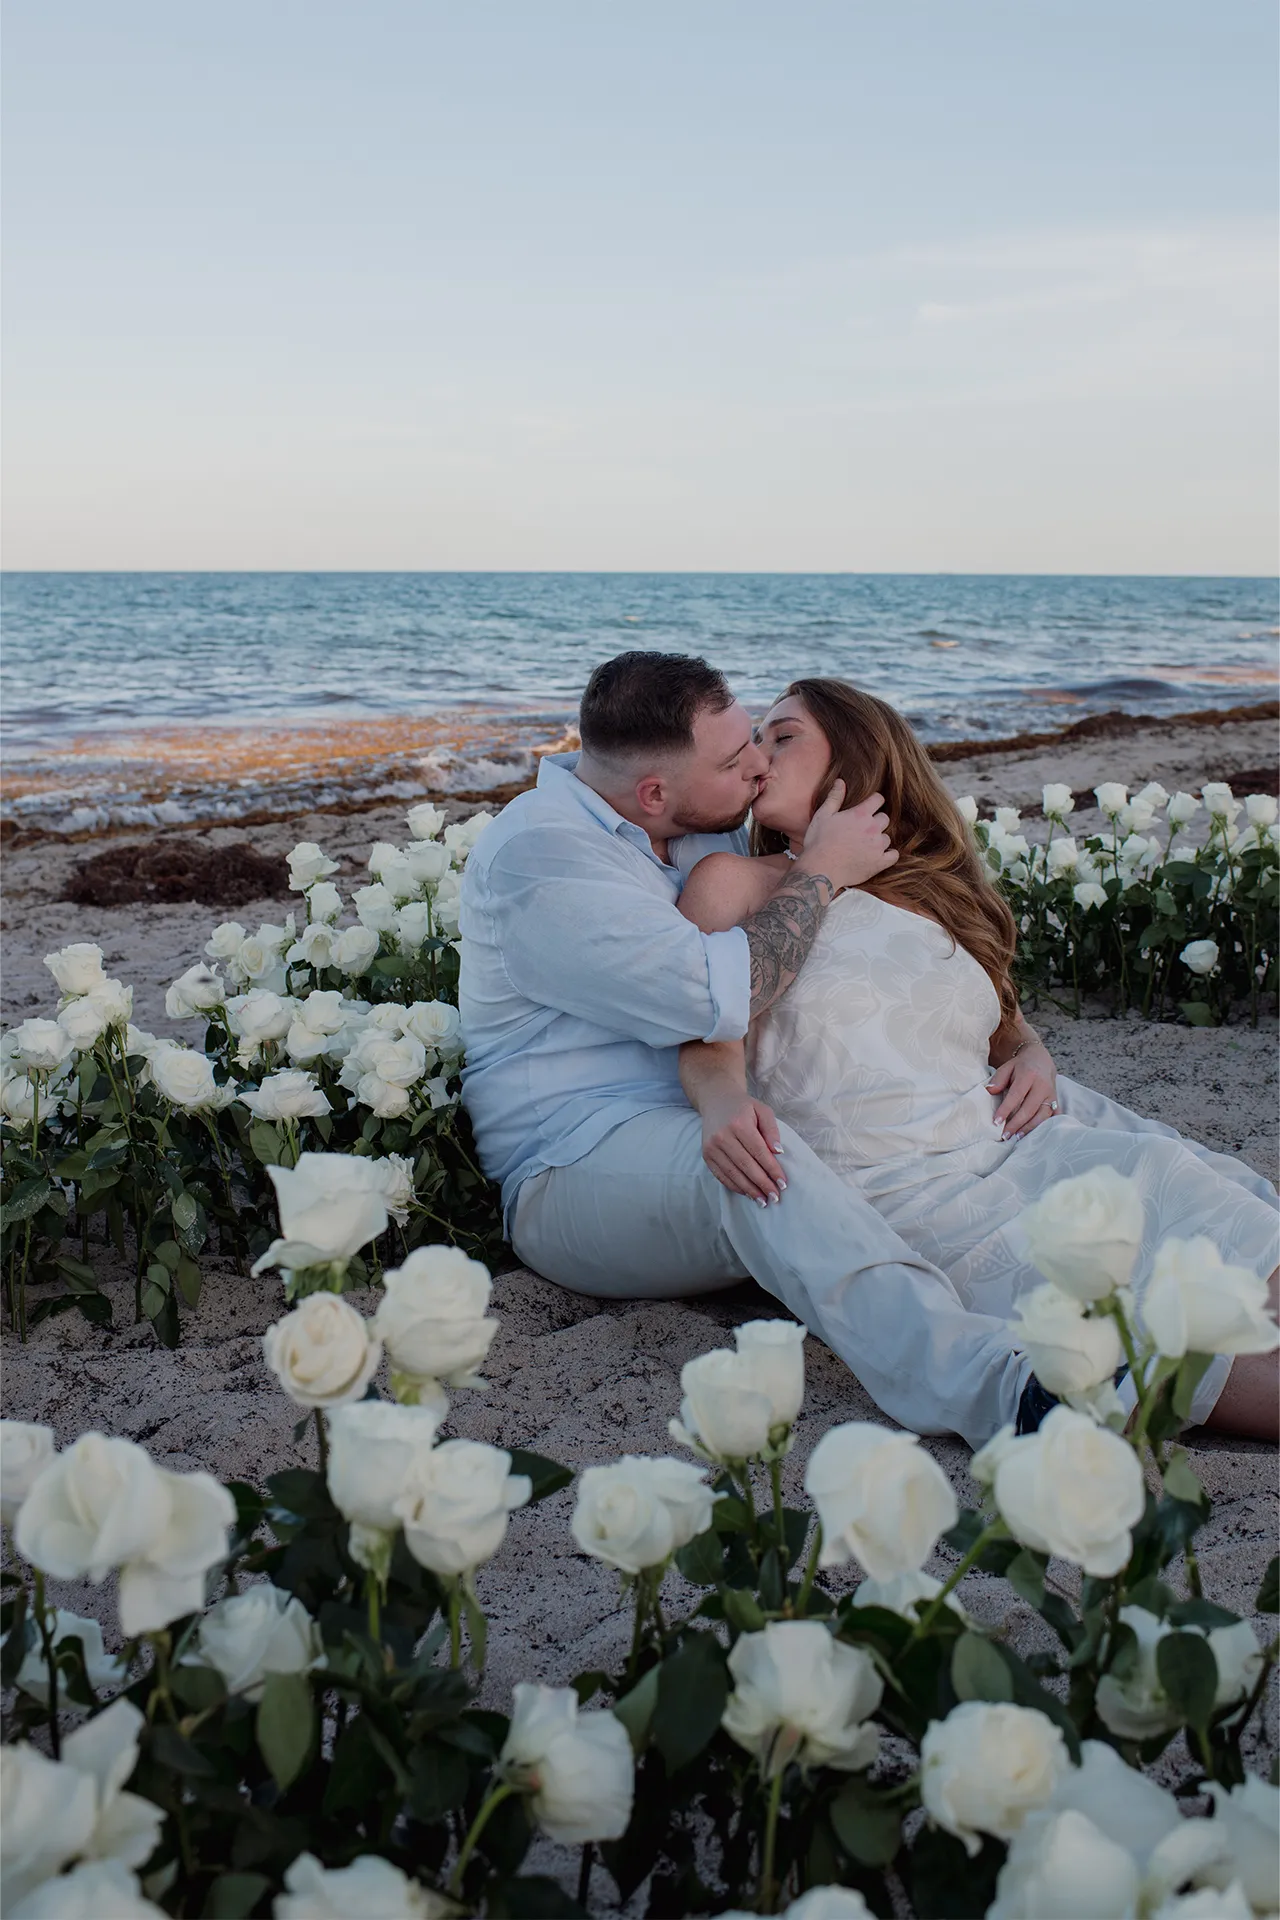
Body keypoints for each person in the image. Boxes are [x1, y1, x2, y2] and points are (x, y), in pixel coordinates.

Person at [462, 651, 1043, 1448]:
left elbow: (901, 938)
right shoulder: (543, 859)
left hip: (705, 1111)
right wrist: (824, 870)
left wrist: (1024, 1039)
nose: (758, 767)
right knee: (767, 1165)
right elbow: (723, 994)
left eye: (759, 741)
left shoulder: (699, 826)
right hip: (576, 1162)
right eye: (737, 760)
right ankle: (995, 1386)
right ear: (656, 791)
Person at [675, 677, 1279, 1442]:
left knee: (1209, 1211)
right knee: (1165, 1340)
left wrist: (1030, 1049)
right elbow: (707, 1027)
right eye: (755, 737)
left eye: (781, 735)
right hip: (911, 1194)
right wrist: (721, 1099)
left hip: (1020, 1147)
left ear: (853, 759)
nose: (757, 755)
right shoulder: (730, 884)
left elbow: (993, 1011)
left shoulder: (931, 893)